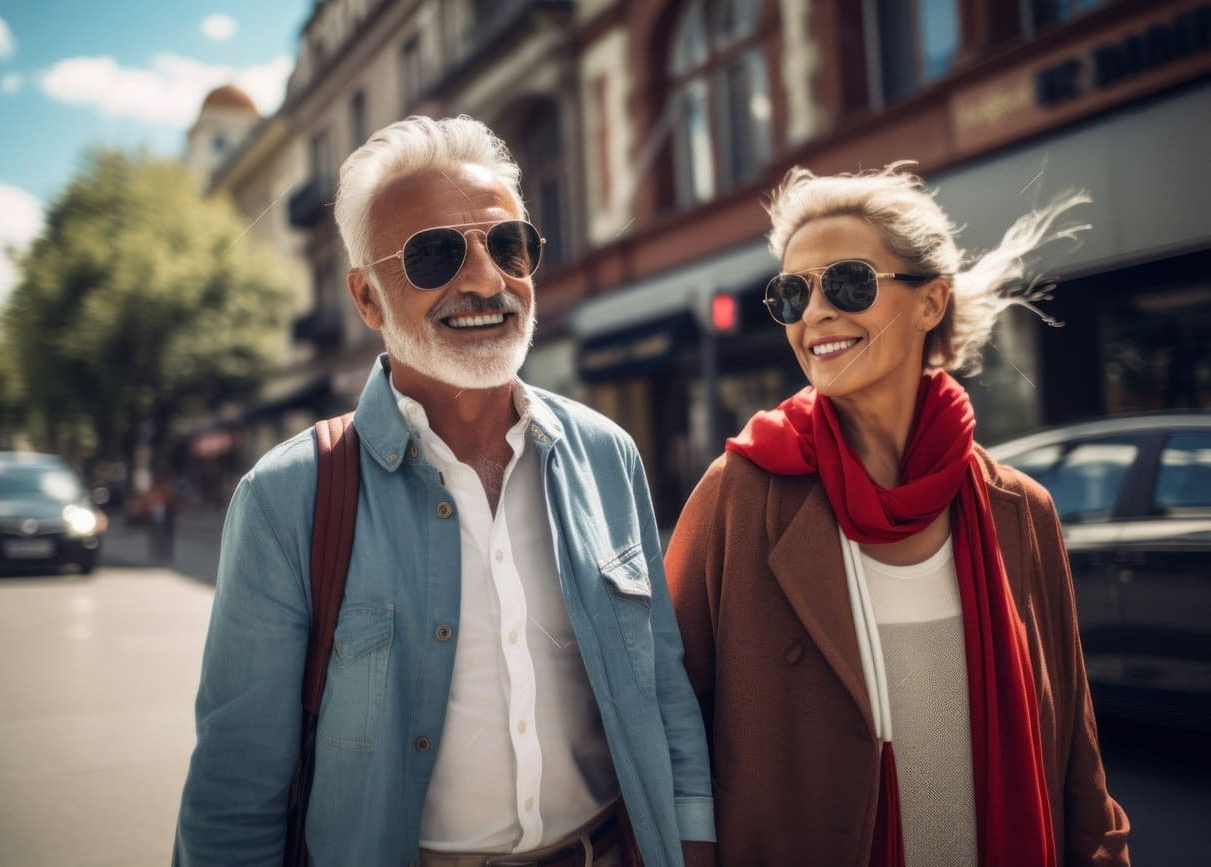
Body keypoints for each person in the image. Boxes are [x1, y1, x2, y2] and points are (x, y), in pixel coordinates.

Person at [174, 116, 715, 867]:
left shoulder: (605, 453)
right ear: (367, 299)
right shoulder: (285, 498)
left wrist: (691, 842)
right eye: (434, 255)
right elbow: (235, 791)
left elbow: (663, 691)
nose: (487, 280)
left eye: (508, 245)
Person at [665, 163, 1130, 866]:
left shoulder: (1022, 513)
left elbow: (1078, 770)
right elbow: (662, 735)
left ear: (930, 301)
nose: (816, 311)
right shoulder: (739, 493)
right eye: (793, 293)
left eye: (847, 282)